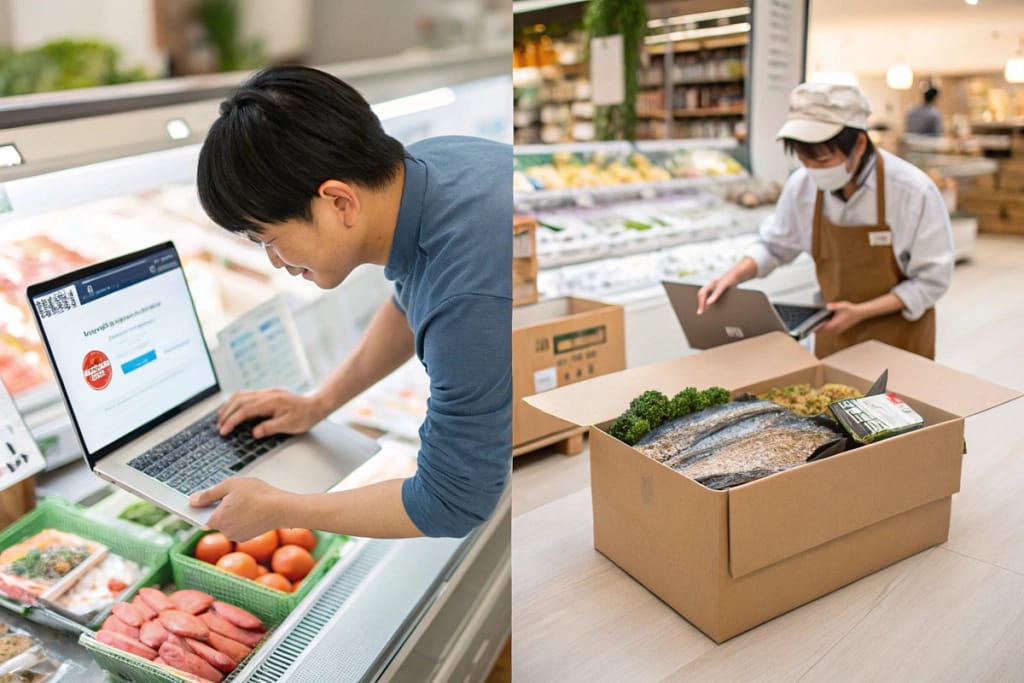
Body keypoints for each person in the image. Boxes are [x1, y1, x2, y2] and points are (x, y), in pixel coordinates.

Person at [188, 66, 512, 541]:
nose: (275, 261)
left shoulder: (467, 296)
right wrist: (319, 403)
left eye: (270, 239)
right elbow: (409, 303)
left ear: (339, 202)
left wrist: (280, 508)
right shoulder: (426, 166)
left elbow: (452, 502)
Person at [698, 82, 953, 359]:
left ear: (859, 144)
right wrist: (731, 277)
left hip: (900, 339)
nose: (812, 170)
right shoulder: (802, 186)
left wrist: (861, 312)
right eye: (804, 160)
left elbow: (932, 280)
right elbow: (774, 246)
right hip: (835, 336)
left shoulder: (912, 191)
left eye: (822, 160)